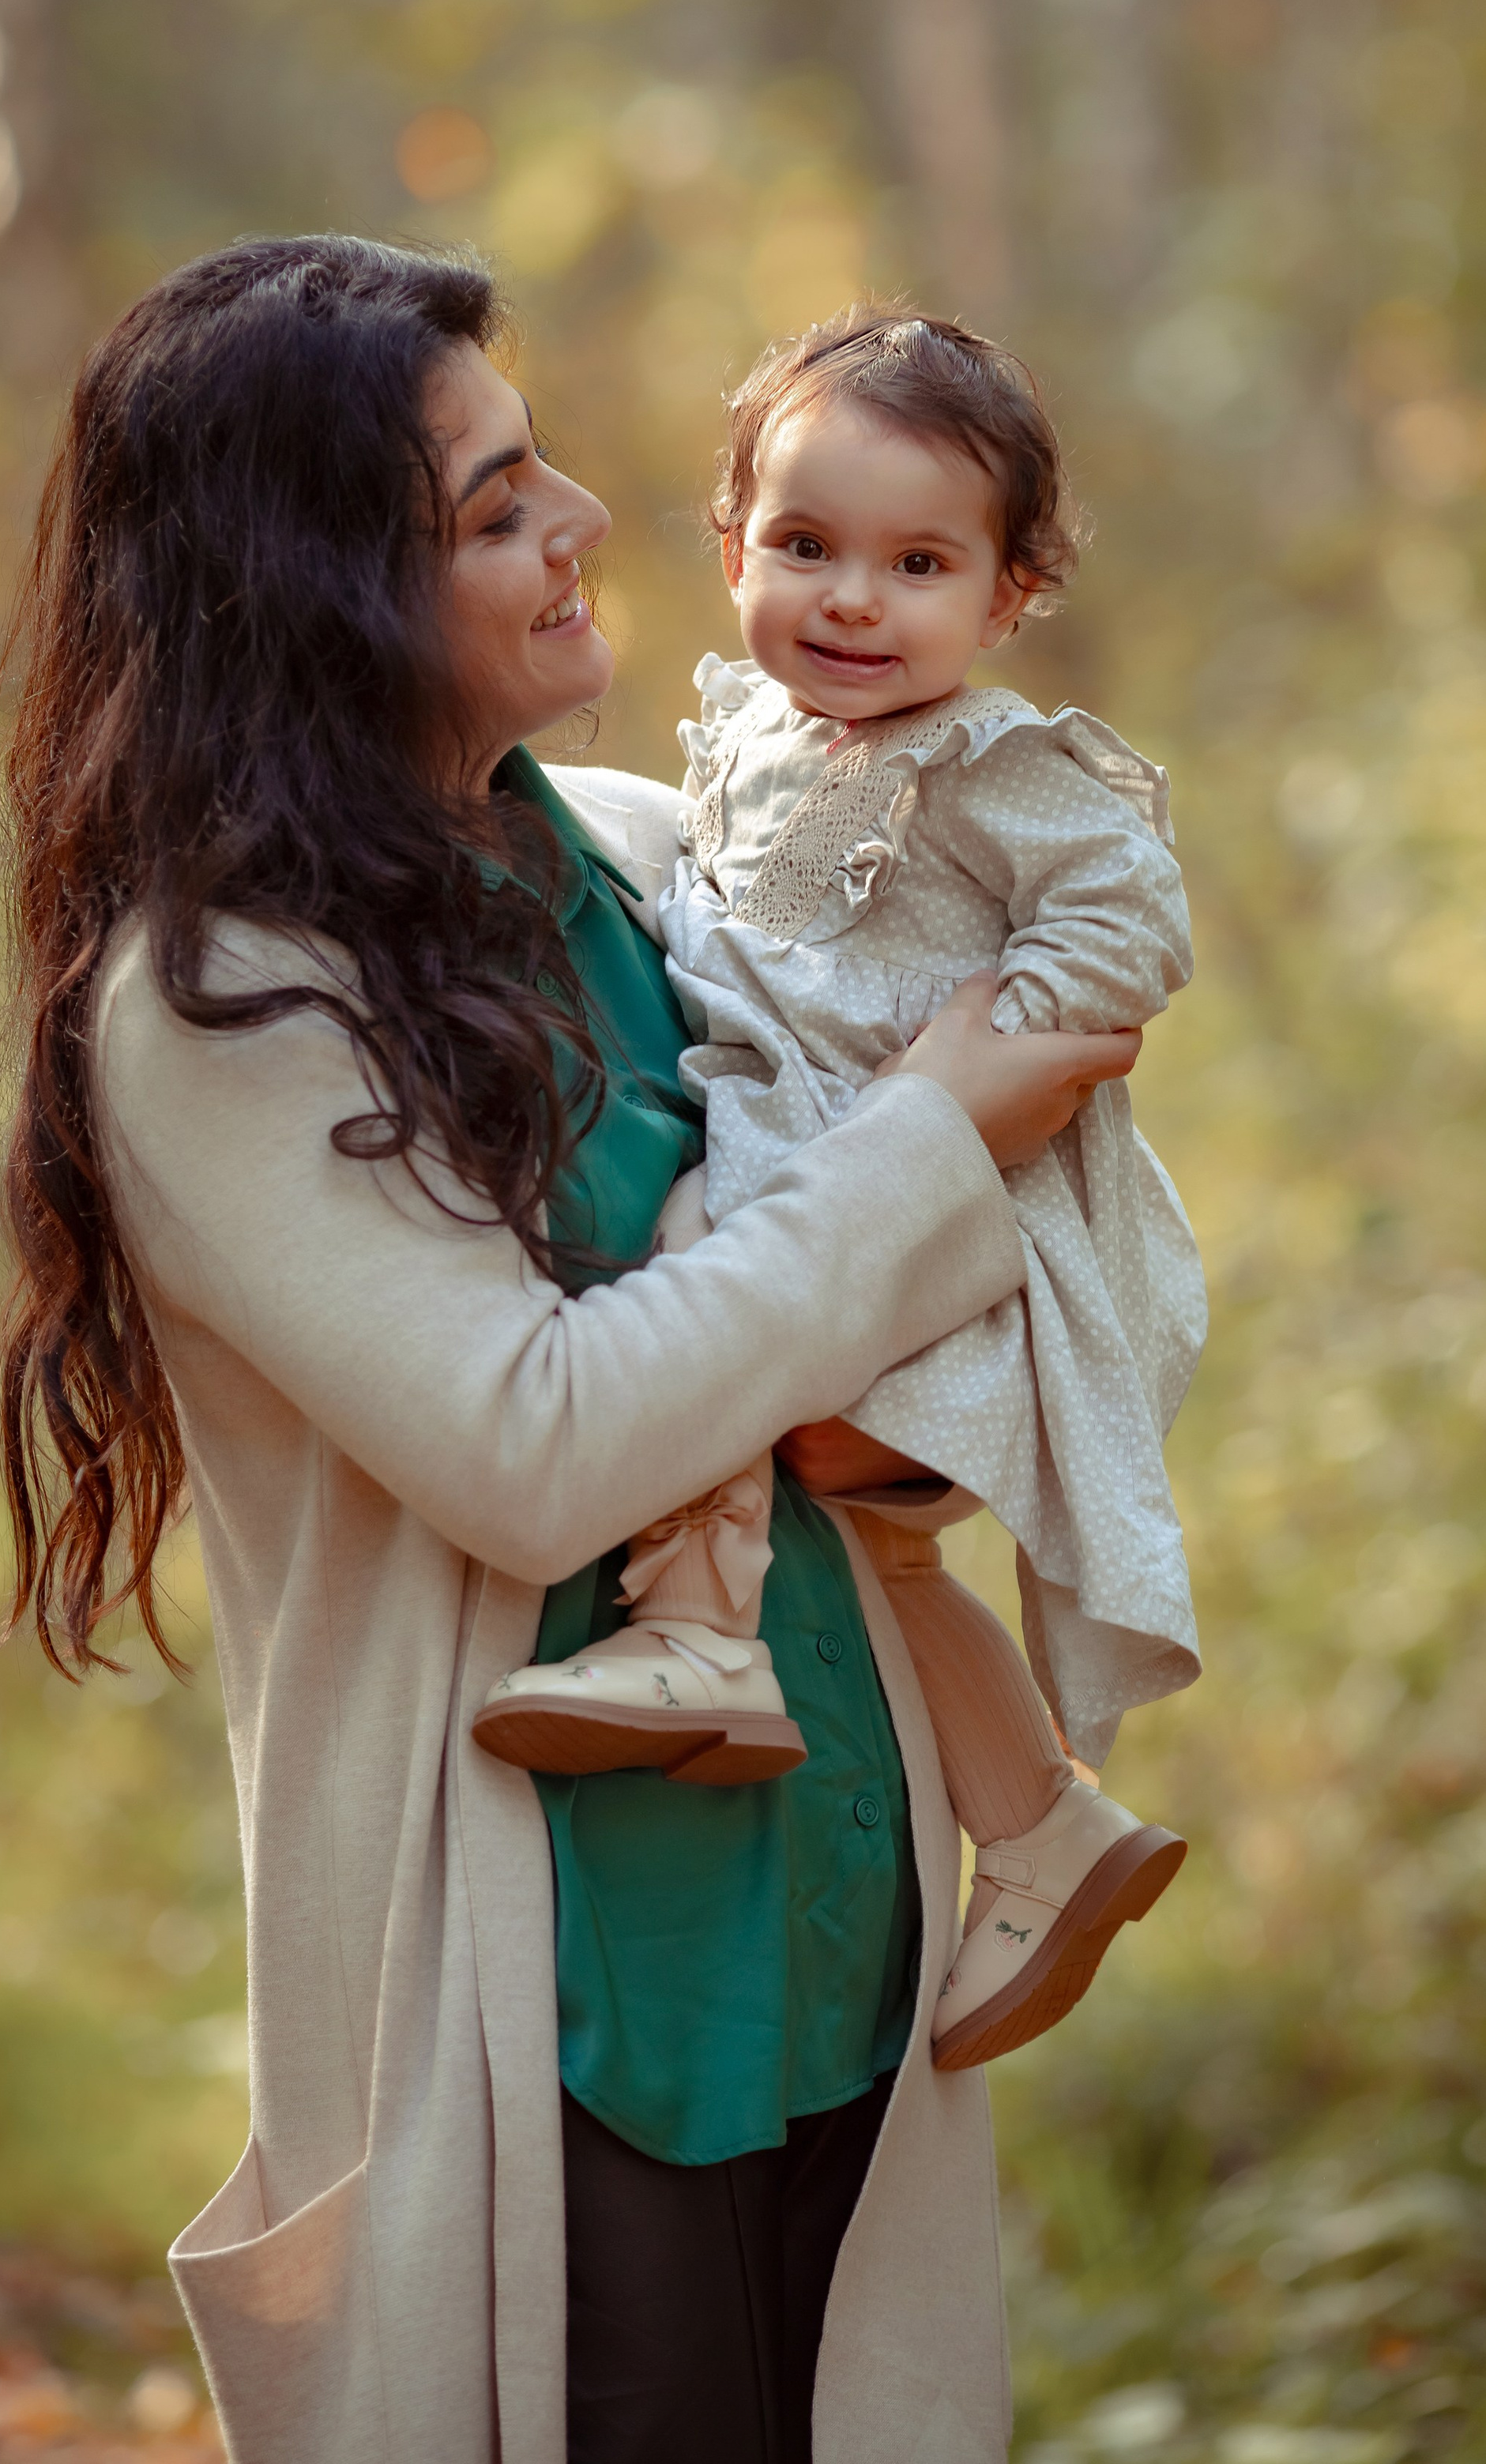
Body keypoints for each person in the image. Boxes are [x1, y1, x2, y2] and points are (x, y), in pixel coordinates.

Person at [0, 235, 1144, 2464]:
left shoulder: (643, 858)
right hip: (560, 1984)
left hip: (833, 1909)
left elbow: (955, 1237)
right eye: (495, 504)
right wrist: (939, 1129)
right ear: (320, 591)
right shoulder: (220, 1000)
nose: (584, 520)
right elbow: (534, 1446)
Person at [476, 308, 1205, 2075]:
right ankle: (1035, 1818)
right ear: (730, 550)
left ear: (1009, 593)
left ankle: (697, 1640)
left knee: (688, 1293)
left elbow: (1129, 921)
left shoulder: (996, 768)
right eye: (805, 547)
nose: (852, 601)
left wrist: (966, 1077)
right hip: (812, 1154)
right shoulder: (734, 739)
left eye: (918, 562)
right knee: (868, 1534)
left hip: (908, 1167)